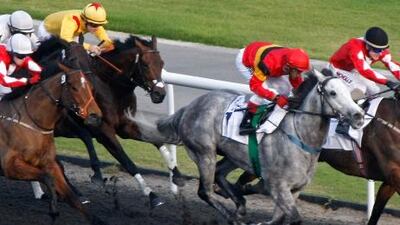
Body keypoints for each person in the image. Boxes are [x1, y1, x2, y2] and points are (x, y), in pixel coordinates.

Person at [328, 27, 400, 134]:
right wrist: (388, 82)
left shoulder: (380, 50)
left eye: (382, 50)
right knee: (360, 90)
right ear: (367, 45)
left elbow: (392, 65)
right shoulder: (354, 47)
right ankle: (344, 121)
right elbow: (364, 70)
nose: (380, 53)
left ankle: (367, 117)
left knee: (374, 90)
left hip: (354, 70)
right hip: (338, 69)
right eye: (376, 50)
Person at [236, 41, 310, 135]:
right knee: (264, 93)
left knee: (286, 90)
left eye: (300, 71)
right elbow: (255, 86)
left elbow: (296, 83)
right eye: (297, 71)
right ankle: (246, 123)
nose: (298, 74)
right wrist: (275, 98)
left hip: (269, 59)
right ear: (287, 67)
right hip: (247, 61)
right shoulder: (268, 64)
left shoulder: (291, 64)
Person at [37, 2, 114, 55]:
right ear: (84, 21)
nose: (96, 28)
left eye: (99, 24)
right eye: (93, 25)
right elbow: (65, 40)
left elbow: (107, 41)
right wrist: (89, 47)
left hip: (70, 34)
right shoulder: (72, 20)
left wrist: (108, 46)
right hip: (48, 31)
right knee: (57, 53)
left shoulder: (95, 24)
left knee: (79, 53)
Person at [0, 33, 41, 100]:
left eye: (27, 55)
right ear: (11, 53)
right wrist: (27, 81)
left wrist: (40, 74)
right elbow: (4, 80)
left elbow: (35, 67)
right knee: (5, 90)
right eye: (21, 56)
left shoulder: (17, 55)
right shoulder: (1, 57)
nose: (24, 59)